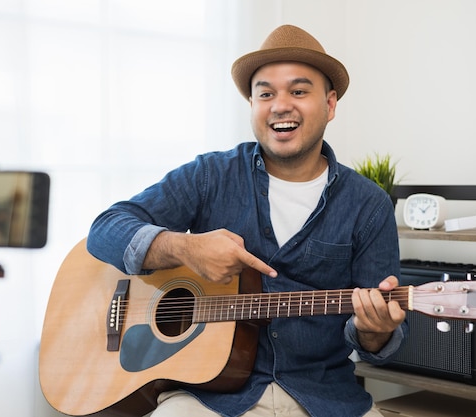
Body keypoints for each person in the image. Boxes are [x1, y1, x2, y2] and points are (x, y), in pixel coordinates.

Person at [87, 24, 408, 417]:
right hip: (208, 397)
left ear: (330, 104)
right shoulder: (210, 175)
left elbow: (380, 342)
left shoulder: (369, 205)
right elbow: (105, 230)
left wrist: (375, 332)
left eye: (299, 91)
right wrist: (185, 247)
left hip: (325, 399)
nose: (279, 105)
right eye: (265, 93)